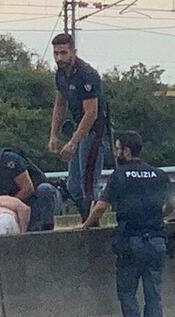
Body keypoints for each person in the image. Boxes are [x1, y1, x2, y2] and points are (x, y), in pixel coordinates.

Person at [83, 131, 175, 317]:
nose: (116, 153)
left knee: (126, 292)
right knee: (153, 294)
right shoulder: (158, 174)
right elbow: (172, 204)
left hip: (131, 242)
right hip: (156, 240)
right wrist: (157, 217)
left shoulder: (120, 175)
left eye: (117, 149)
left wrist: (86, 225)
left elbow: (100, 208)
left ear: (126, 150)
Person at [48, 33, 106, 221]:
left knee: (87, 183)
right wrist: (54, 135)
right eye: (56, 53)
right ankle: (86, 219)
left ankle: (93, 225)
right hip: (77, 128)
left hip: (94, 131)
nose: (59, 58)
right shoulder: (60, 74)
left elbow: (91, 113)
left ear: (73, 51)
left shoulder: (87, 74)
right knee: (73, 185)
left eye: (64, 53)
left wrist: (73, 142)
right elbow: (60, 104)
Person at [0, 128, 58, 234]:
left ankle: (46, 233)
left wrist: (9, 204)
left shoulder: (8, 160)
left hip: (36, 198)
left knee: (45, 189)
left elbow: (28, 188)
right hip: (11, 204)